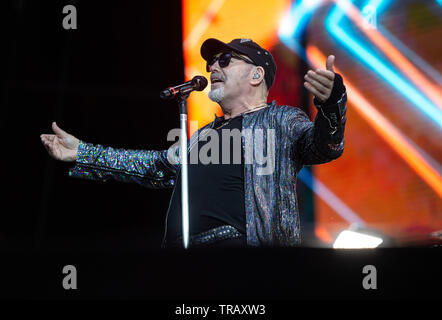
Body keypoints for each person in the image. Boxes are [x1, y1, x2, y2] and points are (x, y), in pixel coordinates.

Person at [40, 38, 347, 248]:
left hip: (240, 256)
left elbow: (324, 145)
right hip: (183, 260)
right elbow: (156, 167)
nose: (213, 67)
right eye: (211, 63)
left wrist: (333, 102)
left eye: (225, 60)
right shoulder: (202, 136)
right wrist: (83, 152)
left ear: (256, 75)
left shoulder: (280, 121)